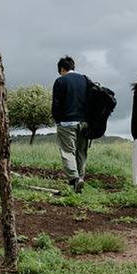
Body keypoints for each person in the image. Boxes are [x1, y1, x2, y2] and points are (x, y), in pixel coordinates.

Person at [51, 55, 89, 193]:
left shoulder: (60, 81)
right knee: (81, 152)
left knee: (68, 152)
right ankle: (81, 179)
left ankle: (75, 179)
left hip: (67, 123)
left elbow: (56, 104)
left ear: (62, 69)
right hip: (85, 123)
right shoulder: (85, 79)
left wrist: (57, 120)